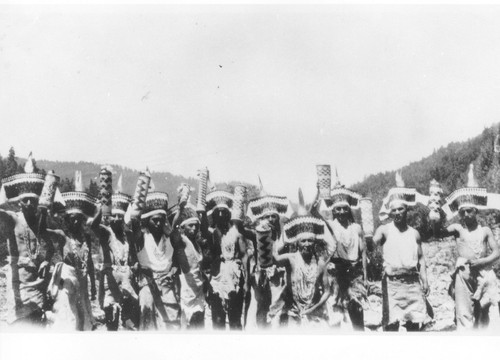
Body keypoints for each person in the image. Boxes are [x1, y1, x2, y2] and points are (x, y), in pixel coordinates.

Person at [0, 154, 53, 327]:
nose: (29, 203)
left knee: (37, 323)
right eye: (25, 200)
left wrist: (46, 261)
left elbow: (50, 247)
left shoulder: (39, 224)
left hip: (37, 282)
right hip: (18, 282)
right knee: (19, 323)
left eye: (33, 200)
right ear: (19, 202)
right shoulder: (13, 219)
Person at [438, 184, 500, 330]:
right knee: (463, 311)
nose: (466, 215)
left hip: (483, 273)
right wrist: (437, 214)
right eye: (463, 212)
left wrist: (482, 261)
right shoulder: (457, 229)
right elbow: (438, 233)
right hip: (464, 275)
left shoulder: (485, 230)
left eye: (469, 211)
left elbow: (497, 252)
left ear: (475, 211)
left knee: (484, 309)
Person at [369, 187, 430, 332]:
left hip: (412, 283)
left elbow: (421, 259)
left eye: (400, 209)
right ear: (390, 212)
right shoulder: (384, 230)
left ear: (406, 210)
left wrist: (425, 280)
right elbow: (372, 244)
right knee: (391, 324)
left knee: (415, 323)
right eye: (394, 210)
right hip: (393, 284)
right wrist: (369, 238)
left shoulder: (414, 233)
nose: (397, 213)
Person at [312, 183, 368, 331]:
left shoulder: (356, 228)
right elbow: (313, 211)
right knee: (335, 307)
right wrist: (319, 192)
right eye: (338, 208)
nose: (342, 211)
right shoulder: (329, 225)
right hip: (336, 271)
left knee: (357, 306)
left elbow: (363, 253)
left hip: (354, 272)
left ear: (349, 209)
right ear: (334, 210)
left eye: (344, 208)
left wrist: (366, 276)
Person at [273, 189, 330, 329]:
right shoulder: (291, 259)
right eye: (303, 241)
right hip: (294, 312)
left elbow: (327, 291)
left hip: (314, 313)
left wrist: (314, 308)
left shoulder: (320, 263)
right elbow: (275, 258)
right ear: (297, 243)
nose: (306, 244)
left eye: (310, 241)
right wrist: (277, 237)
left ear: (314, 242)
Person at [45, 185, 98, 331]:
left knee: (82, 319)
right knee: (67, 318)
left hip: (82, 283)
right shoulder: (63, 236)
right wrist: (46, 211)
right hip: (67, 283)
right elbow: (45, 230)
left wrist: (93, 284)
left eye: (78, 219)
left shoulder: (86, 237)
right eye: (72, 219)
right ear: (67, 220)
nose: (75, 222)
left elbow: (90, 263)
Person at [127, 190, 181, 330]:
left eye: (161, 220)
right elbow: (134, 223)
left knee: (171, 322)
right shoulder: (142, 237)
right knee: (148, 315)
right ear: (147, 220)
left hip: (166, 284)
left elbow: (176, 258)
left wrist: (174, 270)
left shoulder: (169, 239)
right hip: (147, 284)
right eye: (154, 220)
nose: (158, 223)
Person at [91, 188, 139, 331]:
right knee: (111, 320)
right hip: (111, 282)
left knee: (128, 320)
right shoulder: (106, 232)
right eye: (114, 216)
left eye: (120, 216)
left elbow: (133, 257)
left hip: (126, 281)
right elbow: (93, 225)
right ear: (109, 216)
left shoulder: (128, 235)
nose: (117, 219)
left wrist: (135, 265)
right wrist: (99, 210)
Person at [245, 190, 293, 329]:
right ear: (262, 218)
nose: (271, 219)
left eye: (274, 216)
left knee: (276, 308)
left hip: (278, 277)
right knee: (259, 306)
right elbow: (244, 229)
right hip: (260, 276)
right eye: (267, 216)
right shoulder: (257, 234)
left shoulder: (283, 235)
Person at [206, 189, 249, 330]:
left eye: (223, 213)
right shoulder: (212, 234)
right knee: (217, 317)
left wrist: (246, 281)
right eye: (217, 213)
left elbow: (244, 256)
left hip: (234, 275)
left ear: (228, 214)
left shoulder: (236, 233)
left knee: (235, 318)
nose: (220, 215)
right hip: (217, 274)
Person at [170, 188, 207, 330]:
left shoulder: (197, 244)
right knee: (186, 326)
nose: (194, 228)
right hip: (186, 290)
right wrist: (180, 208)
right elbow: (173, 230)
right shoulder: (182, 241)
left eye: (196, 226)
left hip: (198, 290)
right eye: (190, 225)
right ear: (183, 227)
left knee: (198, 326)